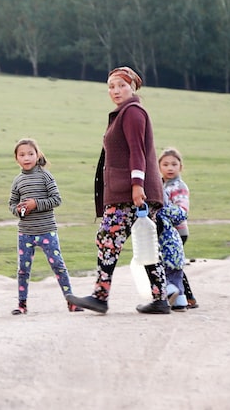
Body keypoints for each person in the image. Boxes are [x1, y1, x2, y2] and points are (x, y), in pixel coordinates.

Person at [66, 66, 172, 314]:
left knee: (107, 239)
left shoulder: (132, 112)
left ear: (133, 87)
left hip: (130, 192)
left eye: (121, 85)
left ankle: (100, 296)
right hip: (130, 191)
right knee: (145, 243)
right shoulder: (125, 112)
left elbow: (138, 152)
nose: (115, 91)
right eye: (111, 86)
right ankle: (160, 299)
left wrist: (136, 186)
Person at [8, 138, 82, 315]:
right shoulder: (17, 181)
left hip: (47, 230)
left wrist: (36, 204)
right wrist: (19, 210)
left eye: (30, 154)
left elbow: (57, 199)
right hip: (25, 233)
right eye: (22, 155)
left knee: (58, 265)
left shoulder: (45, 176)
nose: (27, 158)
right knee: (23, 269)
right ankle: (22, 305)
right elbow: (11, 204)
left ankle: (71, 301)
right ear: (16, 159)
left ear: (37, 155)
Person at [159, 147, 199, 309]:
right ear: (159, 167)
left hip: (177, 231)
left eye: (174, 164)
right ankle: (185, 298)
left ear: (180, 167)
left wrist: (160, 211)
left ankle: (180, 296)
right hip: (166, 230)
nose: (170, 168)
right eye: (166, 164)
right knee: (174, 264)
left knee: (171, 265)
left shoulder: (178, 187)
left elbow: (182, 210)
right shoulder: (163, 184)